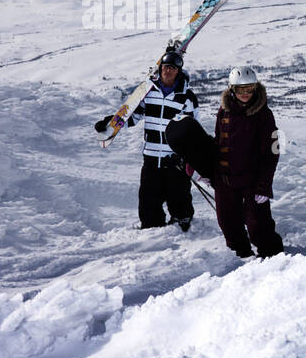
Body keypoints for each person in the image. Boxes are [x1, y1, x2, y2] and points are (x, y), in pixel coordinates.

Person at [95, 49, 198, 230]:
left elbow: (192, 129)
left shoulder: (187, 97)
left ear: (178, 71)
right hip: (151, 158)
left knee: (180, 201)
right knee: (148, 203)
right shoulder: (149, 93)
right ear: (160, 69)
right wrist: (111, 124)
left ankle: (185, 234)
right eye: (166, 67)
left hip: (174, 160)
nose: (168, 71)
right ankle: (151, 233)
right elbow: (134, 117)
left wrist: (186, 155)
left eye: (173, 68)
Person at [213, 66, 283, 259]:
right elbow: (218, 141)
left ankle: (274, 258)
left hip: (253, 181)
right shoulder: (224, 111)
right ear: (231, 89)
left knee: (258, 226)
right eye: (240, 89)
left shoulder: (264, 114)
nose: (245, 94)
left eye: (250, 88)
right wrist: (207, 169)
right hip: (226, 179)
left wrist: (264, 186)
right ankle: (241, 257)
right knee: (228, 223)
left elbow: (272, 154)